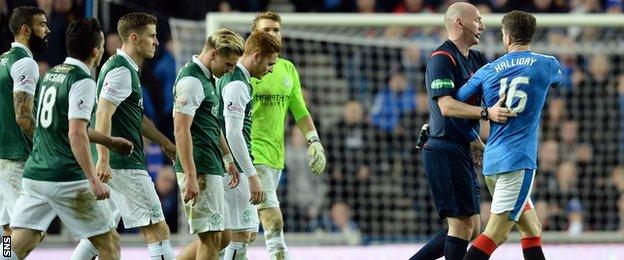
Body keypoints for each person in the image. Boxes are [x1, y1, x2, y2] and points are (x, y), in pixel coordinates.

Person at [7, 18, 127, 260]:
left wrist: (108, 141)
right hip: (59, 175)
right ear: (96, 50)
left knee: (16, 239)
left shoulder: (51, 73)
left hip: (34, 172)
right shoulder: (82, 80)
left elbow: (63, 126)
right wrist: (93, 179)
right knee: (109, 243)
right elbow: (75, 132)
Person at [412, 3, 515, 260]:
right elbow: (446, 106)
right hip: (443, 147)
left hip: (461, 146)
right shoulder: (441, 59)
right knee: (460, 226)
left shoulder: (476, 59)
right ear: (459, 23)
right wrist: (485, 114)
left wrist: (473, 139)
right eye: (477, 20)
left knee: (472, 227)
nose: (482, 26)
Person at [71, 12, 177, 260]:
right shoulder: (121, 71)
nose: (156, 41)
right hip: (123, 165)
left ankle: (6, 249)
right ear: (134, 38)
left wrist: (165, 143)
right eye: (151, 36)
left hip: (112, 165)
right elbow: (104, 113)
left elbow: (135, 117)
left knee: (99, 233)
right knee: (157, 229)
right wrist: (104, 159)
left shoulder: (122, 67)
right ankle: (6, 252)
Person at [459, 11, 561, 260]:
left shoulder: (488, 70)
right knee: (496, 234)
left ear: (506, 37)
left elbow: (459, 99)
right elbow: (557, 81)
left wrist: (480, 120)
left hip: (492, 161)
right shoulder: (548, 64)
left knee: (531, 228)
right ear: (532, 35)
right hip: (517, 163)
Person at [250, 11, 326, 260]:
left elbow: (300, 111)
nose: (272, 34)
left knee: (243, 233)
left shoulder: (287, 69)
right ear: (254, 34)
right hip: (251, 154)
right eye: (266, 30)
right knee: (273, 222)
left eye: (276, 30)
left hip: (276, 156)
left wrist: (314, 140)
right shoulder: (243, 69)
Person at [173, 28, 244, 260]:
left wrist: (228, 158)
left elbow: (212, 123)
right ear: (213, 54)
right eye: (228, 63)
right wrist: (191, 175)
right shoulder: (192, 80)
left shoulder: (207, 78)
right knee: (211, 237)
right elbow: (181, 129)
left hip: (211, 164)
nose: (230, 70)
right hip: (199, 167)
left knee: (222, 236)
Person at [219, 30, 281, 260]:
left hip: (230, 166)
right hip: (233, 169)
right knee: (240, 234)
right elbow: (233, 133)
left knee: (237, 235)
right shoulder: (237, 84)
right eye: (269, 63)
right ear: (256, 56)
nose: (271, 69)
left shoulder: (238, 79)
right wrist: (252, 175)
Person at [0, 6, 49, 236]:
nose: (47, 30)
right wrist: (44, 149)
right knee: (29, 231)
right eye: (42, 25)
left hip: (3, 155)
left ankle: (6, 256)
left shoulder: (2, 60)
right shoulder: (25, 64)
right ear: (26, 30)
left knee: (8, 227)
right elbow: (23, 115)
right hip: (17, 156)